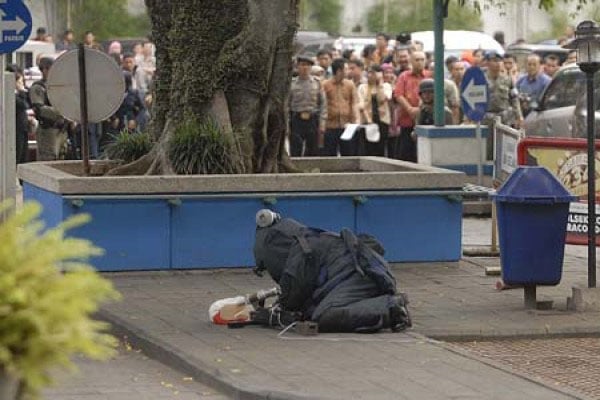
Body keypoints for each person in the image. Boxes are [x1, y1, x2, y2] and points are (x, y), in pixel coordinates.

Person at [253, 210, 411, 333]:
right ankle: (382, 303)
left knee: (325, 315)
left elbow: (293, 300)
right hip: (361, 271)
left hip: (357, 275)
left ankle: (391, 308)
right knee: (319, 310)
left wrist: (273, 313)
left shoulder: (300, 254)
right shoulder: (308, 239)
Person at [483, 50, 522, 159]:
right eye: (494, 61)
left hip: (504, 116)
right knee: (489, 145)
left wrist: (519, 116)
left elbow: (514, 99)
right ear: (488, 63)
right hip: (487, 116)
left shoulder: (507, 79)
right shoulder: (482, 79)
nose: (497, 63)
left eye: (499, 61)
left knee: (505, 144)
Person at [393, 51, 431, 162]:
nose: (420, 62)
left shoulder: (429, 76)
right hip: (407, 121)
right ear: (411, 61)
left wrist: (420, 110)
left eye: (422, 60)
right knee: (406, 154)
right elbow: (398, 94)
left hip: (426, 120)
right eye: (417, 60)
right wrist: (409, 109)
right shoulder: (404, 76)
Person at [29, 57, 68, 161]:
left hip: (61, 130)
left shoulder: (56, 86)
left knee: (61, 159)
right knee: (48, 160)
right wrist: (61, 113)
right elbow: (39, 109)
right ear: (45, 70)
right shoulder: (38, 87)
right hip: (48, 130)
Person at [289, 55, 327, 157]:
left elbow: (323, 104)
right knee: (295, 148)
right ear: (298, 66)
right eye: (302, 65)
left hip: (312, 119)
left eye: (308, 65)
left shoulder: (317, 83)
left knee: (313, 148)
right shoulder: (292, 84)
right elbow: (287, 104)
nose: (305, 68)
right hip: (296, 119)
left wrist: (322, 123)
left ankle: (312, 171)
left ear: (311, 68)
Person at [322, 58, 360, 156]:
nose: (348, 71)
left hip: (347, 126)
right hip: (330, 126)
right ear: (339, 71)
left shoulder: (350, 85)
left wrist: (356, 121)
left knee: (348, 154)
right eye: (346, 69)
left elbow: (354, 103)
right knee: (329, 154)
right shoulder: (325, 85)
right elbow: (323, 105)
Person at [358, 64, 392, 156]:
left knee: (380, 148)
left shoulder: (386, 86)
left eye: (373, 73)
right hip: (367, 121)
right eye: (369, 72)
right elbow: (361, 105)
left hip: (382, 120)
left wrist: (380, 83)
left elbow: (382, 100)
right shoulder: (362, 87)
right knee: (367, 148)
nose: (370, 75)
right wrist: (368, 120)